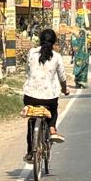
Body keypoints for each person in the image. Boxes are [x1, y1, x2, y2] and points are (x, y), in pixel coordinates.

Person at [23, 28, 69, 162]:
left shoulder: (32, 53)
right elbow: (62, 77)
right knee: (53, 111)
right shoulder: (57, 57)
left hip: (30, 95)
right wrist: (65, 90)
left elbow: (28, 69)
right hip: (50, 97)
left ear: (39, 40)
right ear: (54, 42)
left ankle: (30, 152)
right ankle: (52, 129)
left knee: (32, 121)